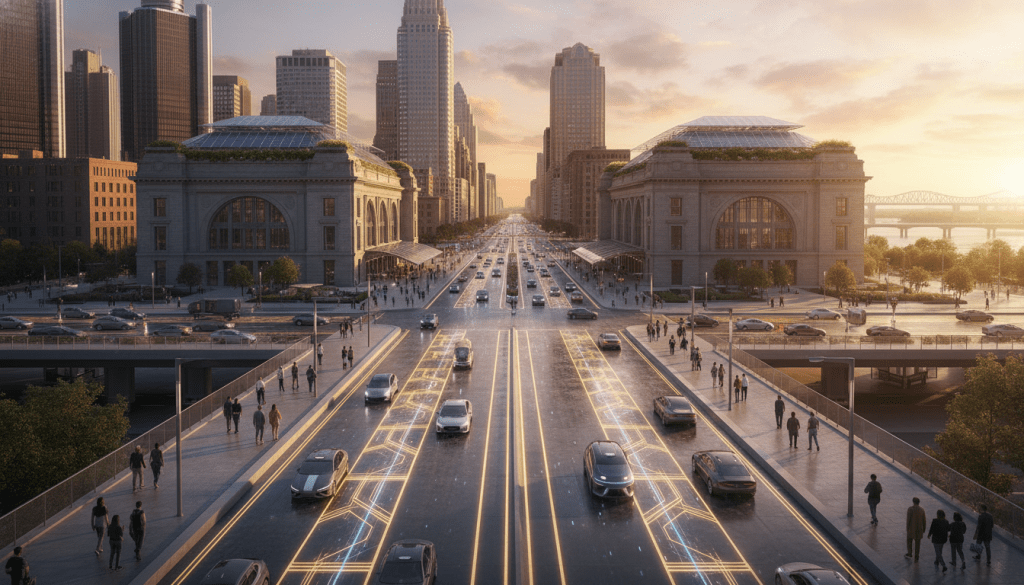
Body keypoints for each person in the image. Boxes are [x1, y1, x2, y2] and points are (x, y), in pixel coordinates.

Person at [906, 496, 927, 562]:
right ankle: (917, 555)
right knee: (918, 543)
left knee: (909, 541)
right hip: (919, 529)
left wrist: (907, 528)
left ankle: (910, 553)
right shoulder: (922, 510)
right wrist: (924, 529)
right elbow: (924, 520)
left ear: (913, 502)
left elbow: (908, 519)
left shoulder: (910, 509)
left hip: (911, 528)